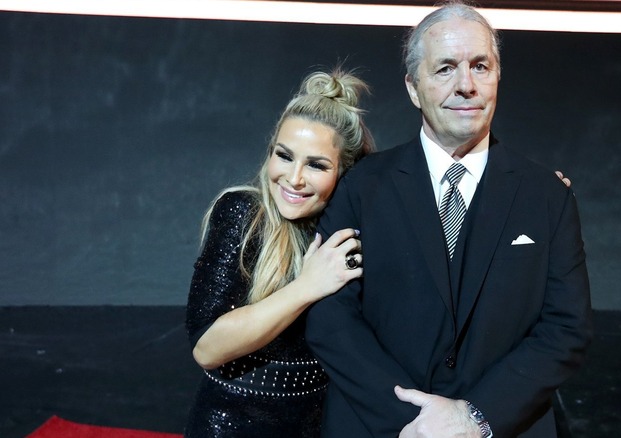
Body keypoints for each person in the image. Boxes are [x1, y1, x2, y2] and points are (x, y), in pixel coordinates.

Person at [305, 2, 592, 437]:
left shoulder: (548, 196)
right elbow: (331, 317)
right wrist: (416, 423)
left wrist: (474, 418)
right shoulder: (362, 185)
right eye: (445, 69)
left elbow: (566, 329)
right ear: (413, 88)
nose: (466, 85)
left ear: (498, 77)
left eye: (481, 66)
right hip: (382, 427)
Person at [184, 69, 373, 437]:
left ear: (344, 172)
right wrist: (308, 286)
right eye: (284, 156)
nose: (294, 177)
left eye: (316, 165)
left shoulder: (348, 237)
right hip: (231, 425)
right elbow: (207, 349)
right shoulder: (242, 213)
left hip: (316, 425)